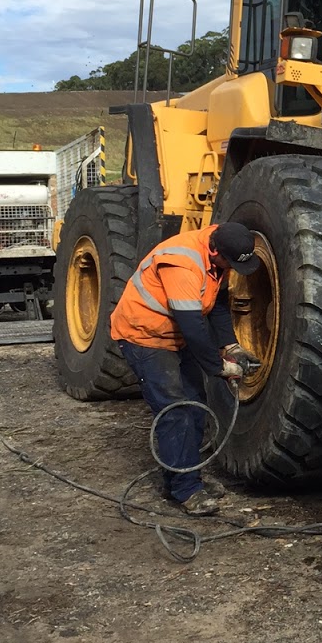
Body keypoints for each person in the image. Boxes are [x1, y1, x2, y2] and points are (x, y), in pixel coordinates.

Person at [110, 221, 262, 516]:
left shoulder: (217, 254)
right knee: (175, 411)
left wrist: (231, 345)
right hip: (146, 338)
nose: (229, 269)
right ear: (214, 249)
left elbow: (217, 304)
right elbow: (192, 325)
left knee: (195, 406)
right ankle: (187, 490)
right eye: (227, 263)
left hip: (174, 335)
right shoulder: (182, 263)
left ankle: (183, 478)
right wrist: (219, 368)